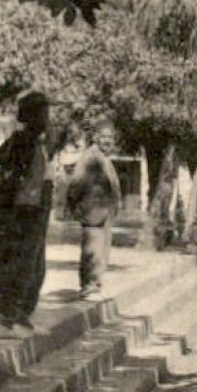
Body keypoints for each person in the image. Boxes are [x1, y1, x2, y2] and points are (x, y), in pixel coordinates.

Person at [0, 91, 55, 335]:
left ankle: (22, 315)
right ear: (31, 115)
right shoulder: (21, 143)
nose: (46, 118)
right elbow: (9, 182)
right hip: (22, 213)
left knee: (36, 267)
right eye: (43, 113)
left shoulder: (36, 142)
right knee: (20, 265)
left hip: (35, 211)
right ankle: (10, 315)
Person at [65, 122, 122, 298]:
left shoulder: (105, 158)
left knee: (101, 252)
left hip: (105, 214)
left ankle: (95, 284)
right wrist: (77, 208)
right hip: (93, 213)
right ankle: (88, 286)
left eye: (110, 138)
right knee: (92, 251)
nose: (107, 141)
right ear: (96, 137)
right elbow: (76, 184)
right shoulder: (90, 156)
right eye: (104, 137)